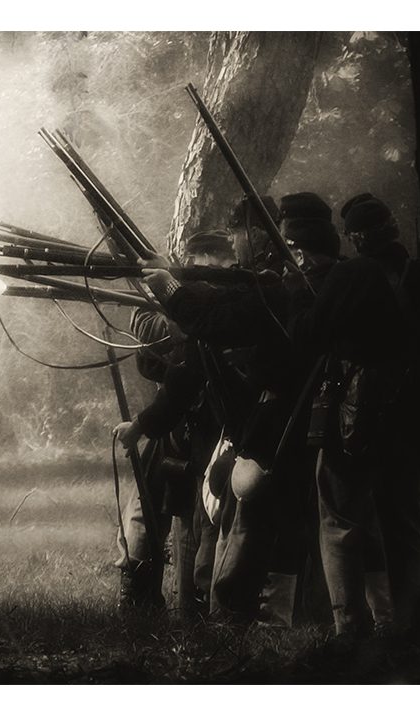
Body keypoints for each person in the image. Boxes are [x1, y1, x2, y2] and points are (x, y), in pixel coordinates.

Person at [141, 195, 329, 625]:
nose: (235, 242)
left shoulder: (278, 287)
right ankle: (254, 618)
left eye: (238, 233)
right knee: (248, 524)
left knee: (259, 527)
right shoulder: (276, 282)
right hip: (272, 424)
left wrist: (171, 290)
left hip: (277, 426)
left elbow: (220, 319)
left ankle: (259, 621)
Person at [287, 193, 409, 637]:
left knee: (337, 519)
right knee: (391, 518)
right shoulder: (409, 273)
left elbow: (308, 334)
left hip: (358, 410)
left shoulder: (353, 273)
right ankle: (399, 620)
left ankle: (349, 626)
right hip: (405, 412)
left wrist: (298, 294)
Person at [113, 229, 238, 617]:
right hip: (172, 417)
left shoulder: (219, 297)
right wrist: (176, 311)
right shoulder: (174, 295)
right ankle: (139, 595)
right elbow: (148, 340)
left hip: (212, 421)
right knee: (147, 509)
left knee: (199, 515)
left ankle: (195, 608)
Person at [339, 193, 420, 630]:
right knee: (410, 515)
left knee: (396, 517)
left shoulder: (363, 277)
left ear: (361, 236)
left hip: (385, 410)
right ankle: (416, 609)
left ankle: (410, 618)